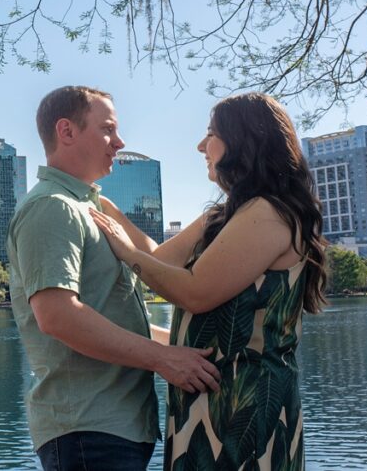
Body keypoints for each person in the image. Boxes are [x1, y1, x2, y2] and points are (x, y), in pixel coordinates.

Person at [90, 92, 328, 470]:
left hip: (245, 411)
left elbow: (195, 291)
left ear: (243, 140)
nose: (201, 145)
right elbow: (158, 260)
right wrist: (105, 208)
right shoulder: (226, 214)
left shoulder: (269, 213)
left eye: (211, 134)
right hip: (206, 408)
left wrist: (126, 253)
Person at [7, 86, 221, 471]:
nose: (119, 142)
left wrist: (187, 348)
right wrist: (165, 359)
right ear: (67, 131)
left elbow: (133, 292)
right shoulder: (51, 208)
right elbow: (57, 316)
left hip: (113, 429)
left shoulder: (88, 207)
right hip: (87, 430)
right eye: (108, 129)